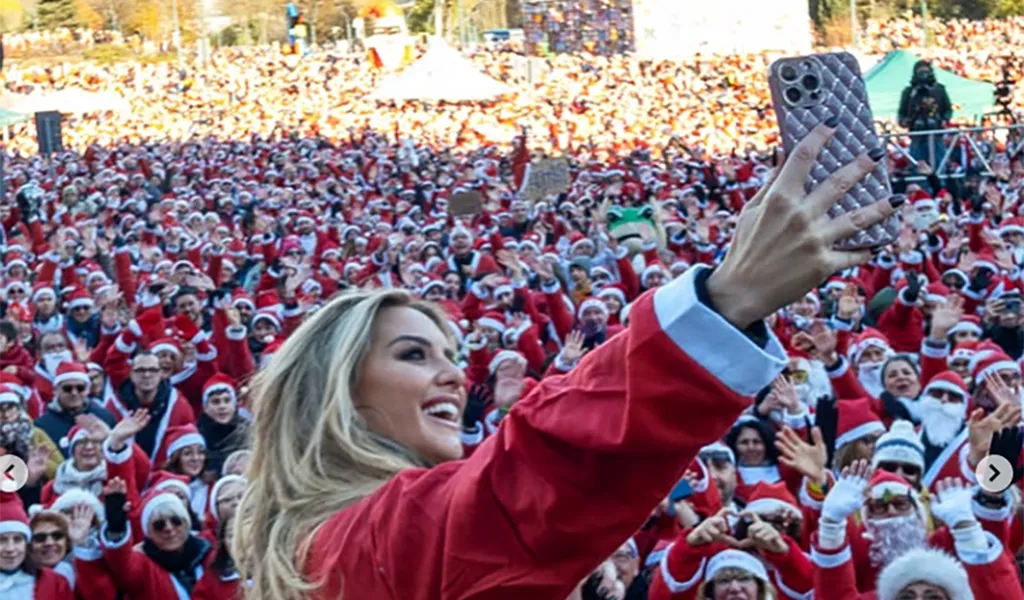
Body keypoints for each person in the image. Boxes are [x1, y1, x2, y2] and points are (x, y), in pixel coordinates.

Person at [233, 123, 903, 598]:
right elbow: (539, 473)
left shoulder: (325, 551)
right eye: (413, 354)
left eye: (451, 354)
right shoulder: (360, 541)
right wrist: (727, 299)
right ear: (333, 395)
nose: (451, 375)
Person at [898, 60, 952, 168]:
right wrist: (905, 121)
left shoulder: (939, 90)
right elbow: (901, 113)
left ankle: (940, 183)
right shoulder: (909, 92)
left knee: (939, 165)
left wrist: (945, 119)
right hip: (917, 134)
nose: (924, 75)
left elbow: (948, 109)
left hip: (936, 133)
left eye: (926, 71)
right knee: (917, 165)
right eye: (920, 72)